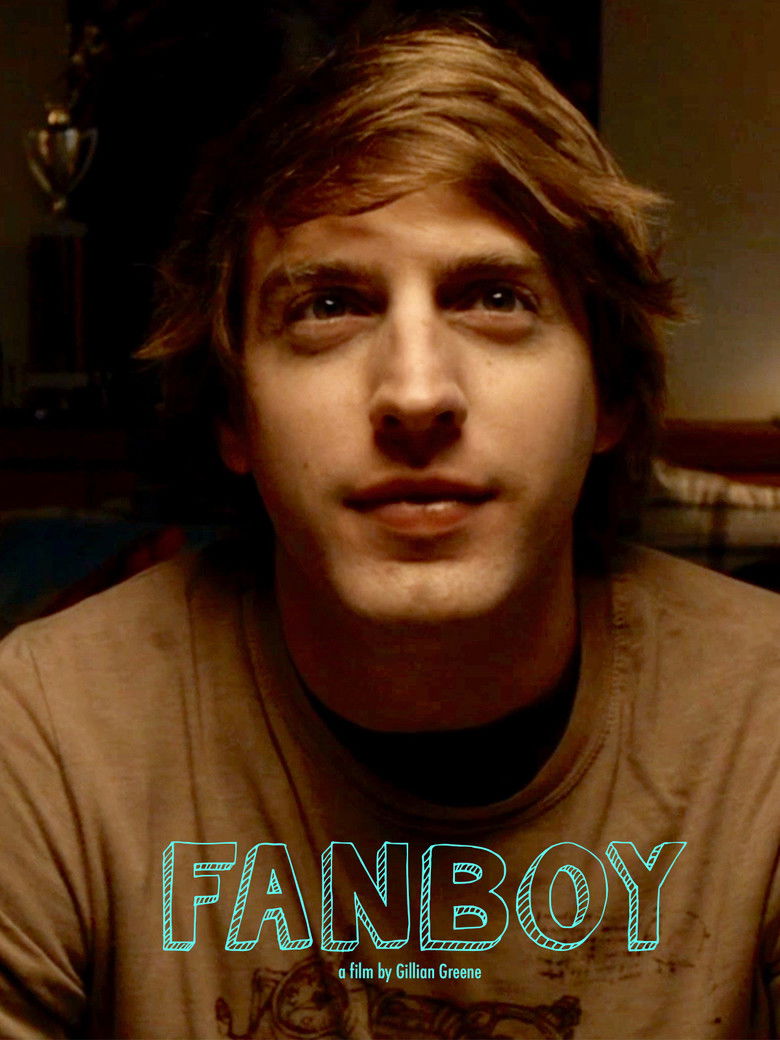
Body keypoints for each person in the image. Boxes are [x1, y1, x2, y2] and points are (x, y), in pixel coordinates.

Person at [1, 21, 779, 1040]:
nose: (416, 394)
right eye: (329, 305)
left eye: (495, 298)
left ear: (611, 393)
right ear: (235, 412)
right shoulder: (47, 734)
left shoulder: (762, 726)